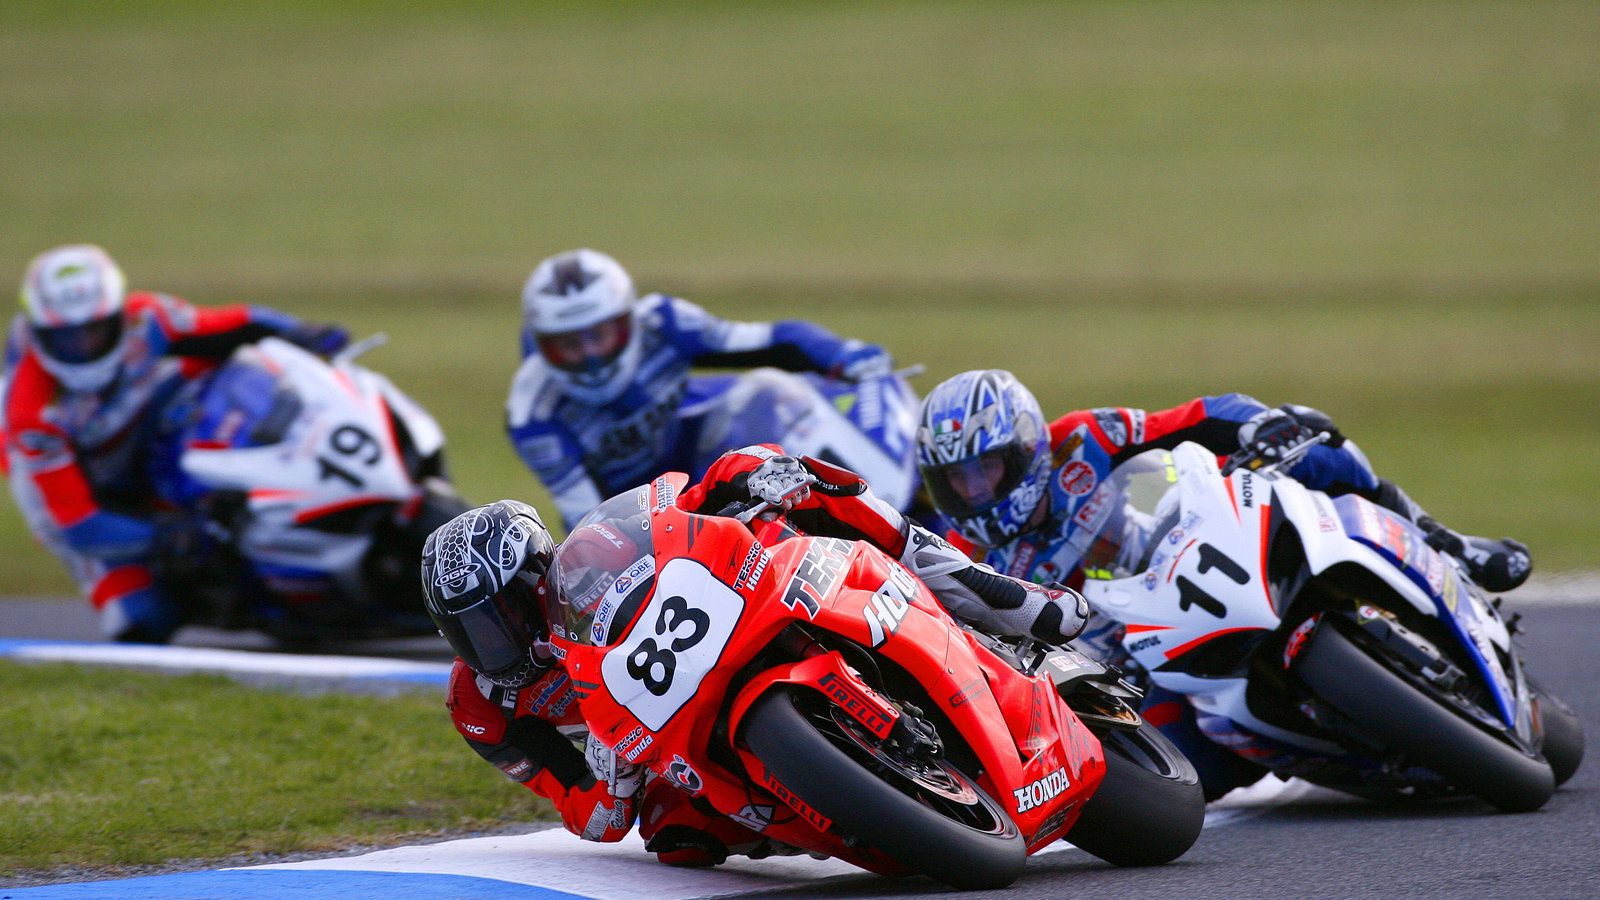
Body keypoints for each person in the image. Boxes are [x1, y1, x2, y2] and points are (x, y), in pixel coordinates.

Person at [420, 455, 1087, 866]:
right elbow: (590, 817)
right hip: (651, 738)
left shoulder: (596, 549)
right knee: (678, 838)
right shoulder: (480, 705)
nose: (492, 643)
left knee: (806, 487)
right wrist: (608, 778)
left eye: (501, 614)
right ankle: (845, 809)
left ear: (538, 574)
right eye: (469, 631)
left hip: (732, 612)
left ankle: (1002, 600)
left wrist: (749, 475)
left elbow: (684, 495)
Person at [911, 368, 1535, 795]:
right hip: (1132, 657)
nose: (974, 490)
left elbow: (1197, 418)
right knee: (1188, 770)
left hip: (1187, 552)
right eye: (956, 480)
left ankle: (1448, 542)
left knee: (1318, 447)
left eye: (987, 468)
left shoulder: (1084, 438)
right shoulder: (964, 556)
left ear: (1026, 448)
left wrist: (1256, 427)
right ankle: (1340, 756)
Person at [2, 244, 349, 643]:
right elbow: (79, 525)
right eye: (66, 337)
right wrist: (168, 535)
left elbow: (239, 322)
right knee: (141, 621)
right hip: (78, 495)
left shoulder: (147, 318)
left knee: (227, 379)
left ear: (117, 315)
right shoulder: (31, 412)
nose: (82, 346)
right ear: (40, 333)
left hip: (144, 425)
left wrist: (300, 332)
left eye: (94, 330)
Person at [507, 248, 896, 529]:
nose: (591, 357)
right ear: (542, 344)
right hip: (639, 514)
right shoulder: (532, 414)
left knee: (770, 395)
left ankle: (872, 500)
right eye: (570, 344)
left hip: (700, 454)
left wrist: (841, 354)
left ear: (627, 323)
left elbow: (773, 339)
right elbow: (585, 517)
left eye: (599, 335)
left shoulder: (664, 322)